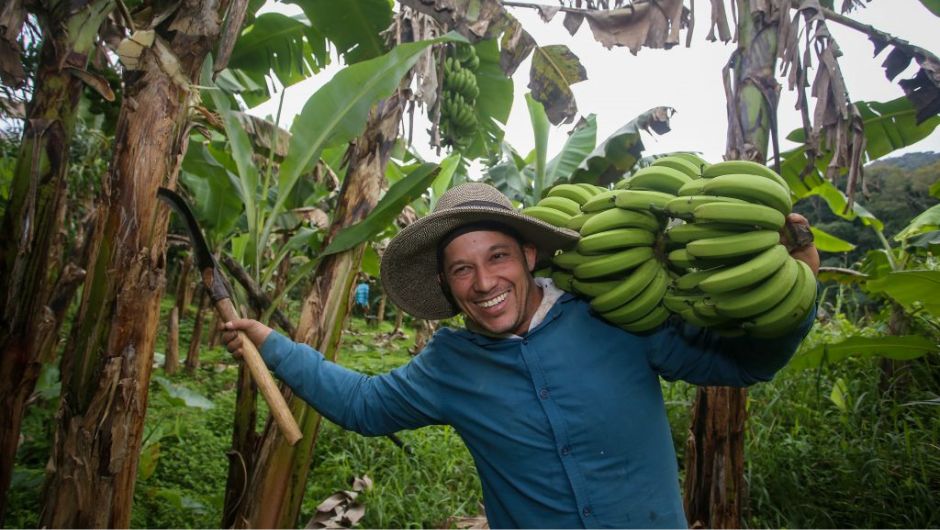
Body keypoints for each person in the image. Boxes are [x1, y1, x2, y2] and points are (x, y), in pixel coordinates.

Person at [222, 182, 820, 529]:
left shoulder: (614, 315)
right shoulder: (449, 364)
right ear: (446, 285)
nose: (484, 282)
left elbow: (745, 364)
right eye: (462, 269)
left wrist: (795, 292)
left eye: (498, 257)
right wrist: (272, 344)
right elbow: (363, 404)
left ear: (529, 255)